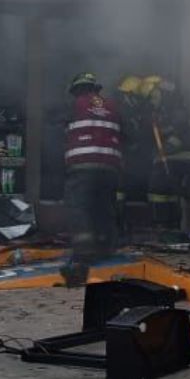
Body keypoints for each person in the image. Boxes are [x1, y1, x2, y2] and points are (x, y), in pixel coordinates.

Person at [60, 72, 123, 286]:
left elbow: (62, 128)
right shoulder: (112, 105)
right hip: (110, 166)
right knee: (104, 206)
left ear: (78, 89)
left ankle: (85, 250)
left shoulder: (75, 104)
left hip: (83, 165)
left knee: (79, 206)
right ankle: (106, 247)